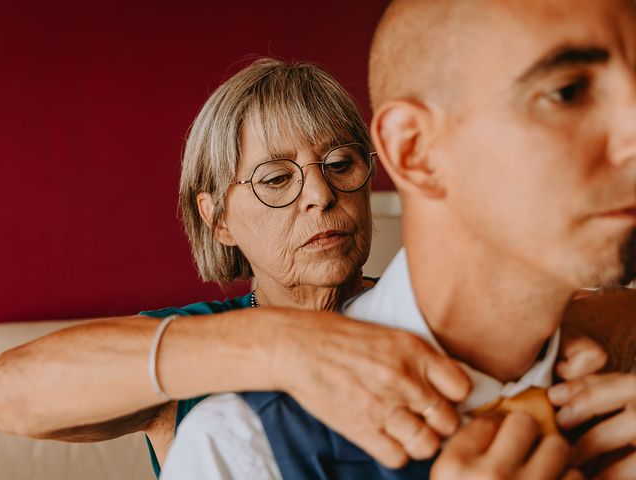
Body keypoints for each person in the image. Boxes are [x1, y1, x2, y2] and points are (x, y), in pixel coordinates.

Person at [160, 1, 636, 479]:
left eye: (342, 163)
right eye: (568, 92)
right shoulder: (243, 443)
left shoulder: (605, 363)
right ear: (414, 152)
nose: (320, 197)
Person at [0, 58, 479, 475]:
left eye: (340, 162)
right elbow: (10, 393)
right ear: (218, 219)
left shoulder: (429, 309)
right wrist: (279, 346)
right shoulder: (200, 339)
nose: (320, 194)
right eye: (274, 178)